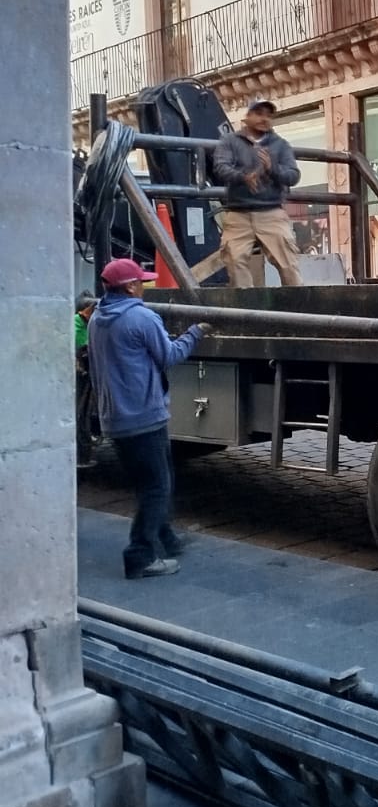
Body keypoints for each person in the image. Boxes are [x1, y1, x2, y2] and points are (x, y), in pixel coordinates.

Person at [87, 257, 211, 579]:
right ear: (130, 287)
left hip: (116, 419)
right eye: (141, 282)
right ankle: (140, 555)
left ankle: (165, 538)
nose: (145, 286)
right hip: (144, 417)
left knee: (155, 481)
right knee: (156, 487)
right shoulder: (142, 317)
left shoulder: (96, 318)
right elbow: (170, 356)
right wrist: (195, 332)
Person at [212, 97, 303, 287]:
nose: (264, 119)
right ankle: (246, 304)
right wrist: (243, 177)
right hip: (238, 213)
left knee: (288, 264)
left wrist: (272, 168)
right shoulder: (230, 141)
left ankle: (298, 303)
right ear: (248, 116)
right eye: (259, 113)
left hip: (271, 211)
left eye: (269, 115)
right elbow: (220, 167)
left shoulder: (281, 145)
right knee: (235, 262)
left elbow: (293, 176)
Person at [74, 291, 96, 468]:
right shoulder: (77, 324)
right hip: (81, 374)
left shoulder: (85, 323)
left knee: (82, 415)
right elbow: (83, 349)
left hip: (84, 373)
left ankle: (83, 454)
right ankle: (82, 456)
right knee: (81, 415)